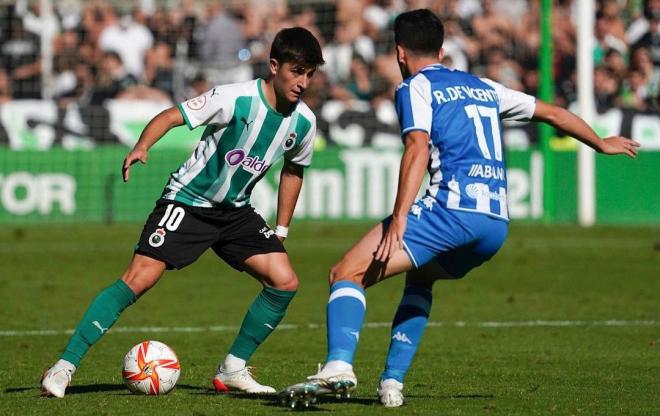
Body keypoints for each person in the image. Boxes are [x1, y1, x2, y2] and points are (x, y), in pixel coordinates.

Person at [280, 9, 640, 408]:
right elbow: (552, 113)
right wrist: (601, 143)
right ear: (442, 48)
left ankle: (338, 366)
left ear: (400, 53)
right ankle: (392, 384)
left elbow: (416, 146)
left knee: (346, 272)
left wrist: (399, 217)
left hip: (449, 212)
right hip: (494, 225)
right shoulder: (483, 86)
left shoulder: (416, 87)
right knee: (420, 279)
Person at [41, 27, 324, 398]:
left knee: (284, 281)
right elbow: (171, 116)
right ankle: (63, 368)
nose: (303, 82)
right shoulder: (235, 98)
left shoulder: (304, 122)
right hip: (188, 202)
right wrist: (142, 146)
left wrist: (282, 228)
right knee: (138, 278)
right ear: (274, 66)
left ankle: (233, 369)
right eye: (296, 71)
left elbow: (293, 170)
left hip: (235, 212)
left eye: (310, 74)